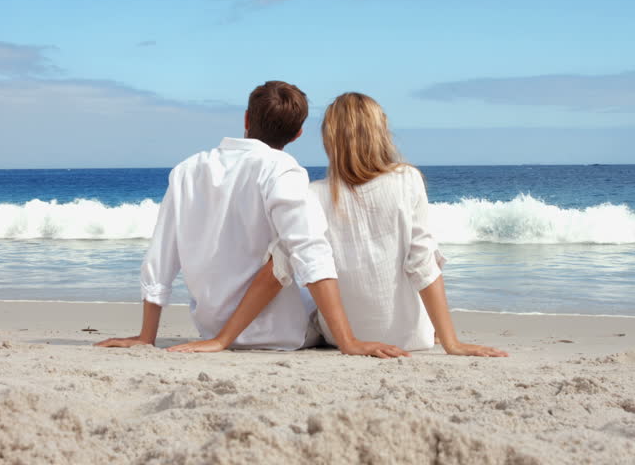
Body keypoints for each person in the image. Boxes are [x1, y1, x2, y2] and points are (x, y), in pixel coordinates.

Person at [170, 92, 507, 357]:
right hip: (412, 338)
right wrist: (451, 342)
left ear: (328, 140)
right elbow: (422, 264)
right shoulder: (408, 179)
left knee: (299, 271)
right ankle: (437, 332)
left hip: (338, 336)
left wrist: (222, 339)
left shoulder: (313, 194)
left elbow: (275, 274)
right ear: (381, 132)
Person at [96, 82, 408, 358]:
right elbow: (311, 252)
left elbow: (160, 256)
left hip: (211, 327)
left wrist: (146, 336)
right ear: (298, 134)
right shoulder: (281, 169)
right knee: (305, 242)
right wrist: (349, 341)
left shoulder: (186, 170)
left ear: (246, 119)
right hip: (283, 334)